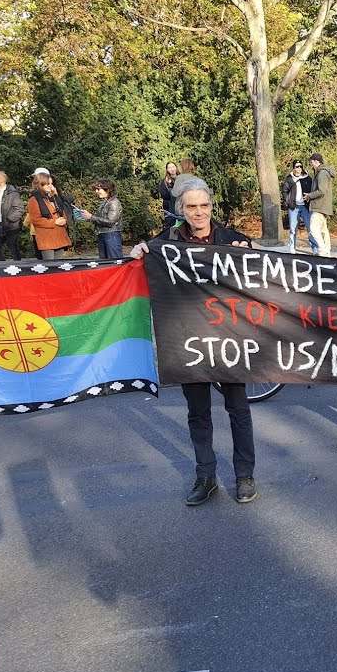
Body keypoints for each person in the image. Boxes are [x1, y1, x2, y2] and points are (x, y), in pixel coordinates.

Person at [128, 183, 259, 506]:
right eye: (191, 207)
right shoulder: (166, 242)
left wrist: (249, 253)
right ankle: (205, 476)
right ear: (181, 211)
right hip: (187, 340)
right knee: (198, 413)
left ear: (212, 207)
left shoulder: (231, 239)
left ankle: (244, 475)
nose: (199, 213)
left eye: (204, 206)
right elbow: (143, 261)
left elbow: (260, 276)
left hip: (229, 339)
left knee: (238, 409)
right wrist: (138, 253)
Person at [26, 172, 72, 259]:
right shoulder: (34, 199)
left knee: (59, 266)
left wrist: (64, 220)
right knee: (50, 265)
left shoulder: (53, 197)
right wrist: (54, 222)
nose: (51, 186)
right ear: (40, 184)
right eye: (48, 184)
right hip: (47, 239)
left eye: (51, 183)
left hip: (59, 236)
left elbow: (62, 211)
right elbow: (36, 220)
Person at [78, 179, 124, 258]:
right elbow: (100, 219)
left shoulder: (114, 203)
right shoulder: (103, 202)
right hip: (103, 234)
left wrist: (91, 217)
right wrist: (88, 216)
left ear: (107, 189)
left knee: (114, 262)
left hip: (111, 235)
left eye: (98, 189)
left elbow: (111, 222)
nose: (96, 191)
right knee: (104, 263)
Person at [0, 170, 25, 261]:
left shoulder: (13, 193)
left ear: (2, 180)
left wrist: (8, 219)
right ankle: (2, 268)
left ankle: (19, 270)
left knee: (13, 249)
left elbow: (19, 209)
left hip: (11, 226)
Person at [281, 160, 318, 254]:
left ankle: (315, 248)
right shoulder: (289, 178)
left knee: (310, 228)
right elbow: (284, 190)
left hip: (305, 206)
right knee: (293, 228)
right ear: (294, 167)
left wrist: (310, 197)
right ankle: (292, 247)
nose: (299, 168)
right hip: (294, 207)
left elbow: (312, 189)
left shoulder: (307, 178)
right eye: (297, 166)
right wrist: (288, 200)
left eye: (300, 166)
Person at [304, 153, 337, 258]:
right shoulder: (324, 172)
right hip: (323, 205)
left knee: (313, 229)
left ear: (316, 161)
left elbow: (321, 191)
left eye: (311, 162)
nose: (311, 165)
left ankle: (322, 251)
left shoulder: (322, 173)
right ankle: (326, 251)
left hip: (319, 205)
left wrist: (310, 196)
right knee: (323, 230)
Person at [158, 161, 179, 228]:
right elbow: (163, 194)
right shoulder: (164, 182)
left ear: (176, 167)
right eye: (169, 167)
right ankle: (172, 238)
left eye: (173, 167)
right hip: (170, 208)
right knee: (172, 228)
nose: (172, 169)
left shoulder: (182, 179)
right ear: (167, 170)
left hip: (182, 208)